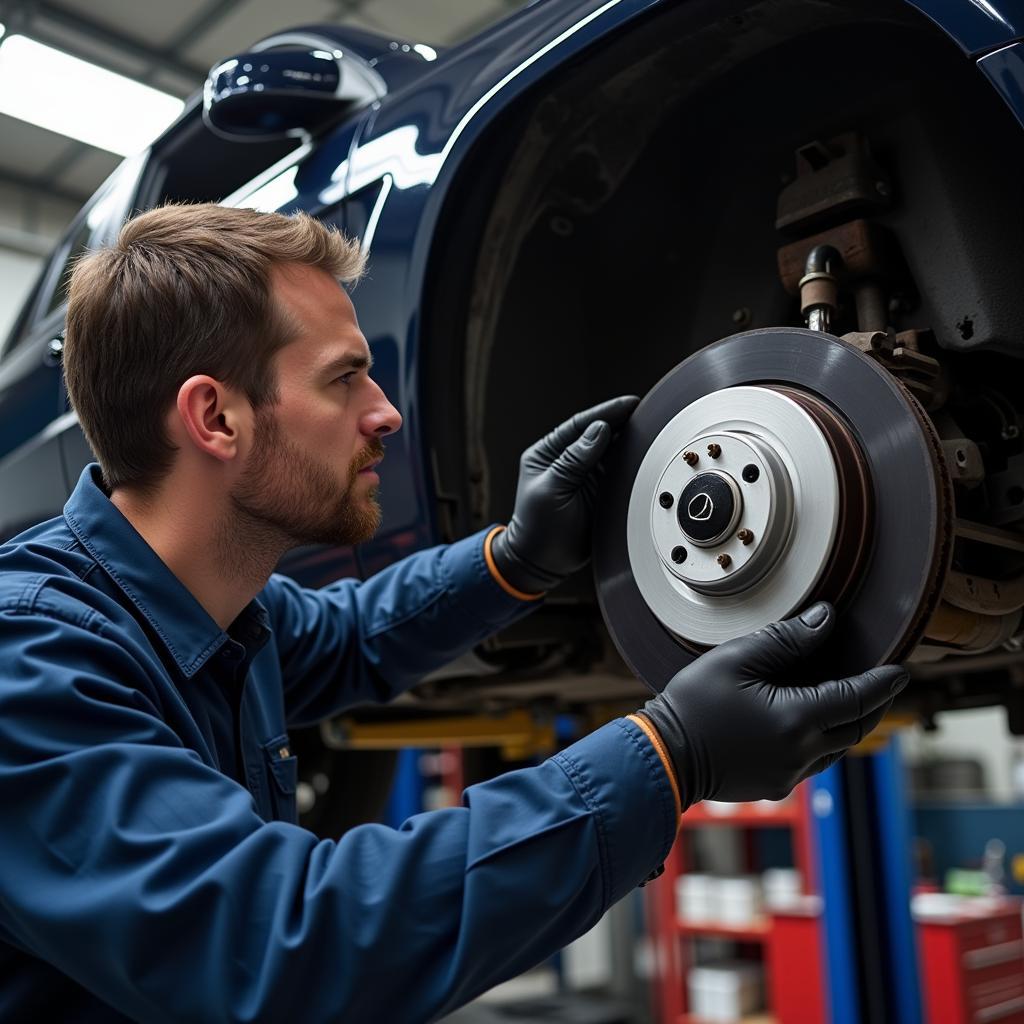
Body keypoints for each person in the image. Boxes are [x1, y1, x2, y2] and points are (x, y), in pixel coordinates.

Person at [0, 204, 906, 1023]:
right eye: (344, 379)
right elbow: (288, 945)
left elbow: (351, 634)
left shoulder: (222, 609)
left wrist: (512, 557)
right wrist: (667, 757)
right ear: (216, 420)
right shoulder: (31, 661)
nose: (385, 414)